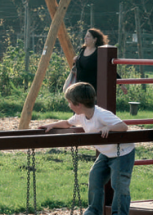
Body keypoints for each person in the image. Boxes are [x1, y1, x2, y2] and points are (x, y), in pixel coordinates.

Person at [39, 82, 135, 215]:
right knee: (95, 178)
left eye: (69, 102)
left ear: (78, 104)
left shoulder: (101, 114)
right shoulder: (81, 115)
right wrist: (52, 125)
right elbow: (67, 123)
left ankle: (119, 213)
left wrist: (109, 127)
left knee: (119, 186)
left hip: (122, 154)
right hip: (106, 153)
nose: (69, 105)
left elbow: (123, 126)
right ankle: (93, 211)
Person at [73, 28, 127, 94]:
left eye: (88, 36)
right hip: (80, 88)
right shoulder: (82, 50)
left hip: (93, 90)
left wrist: (121, 84)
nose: (85, 38)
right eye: (85, 36)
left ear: (95, 39)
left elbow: (109, 69)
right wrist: (76, 61)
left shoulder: (99, 53)